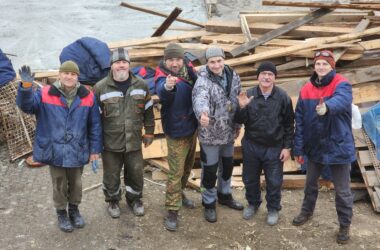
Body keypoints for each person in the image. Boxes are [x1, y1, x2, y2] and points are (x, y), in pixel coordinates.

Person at [16, 61, 102, 232]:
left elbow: (95, 125)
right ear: (59, 75)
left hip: (77, 148)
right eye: (66, 73)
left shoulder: (87, 96)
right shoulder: (45, 93)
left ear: (78, 77)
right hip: (54, 148)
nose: (69, 77)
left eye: (73, 74)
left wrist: (95, 150)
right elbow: (27, 106)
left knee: (76, 183)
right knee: (59, 182)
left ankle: (74, 210)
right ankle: (61, 212)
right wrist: (26, 88)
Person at [292, 50, 355, 244]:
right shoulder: (306, 89)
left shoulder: (341, 83)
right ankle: (306, 212)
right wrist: (299, 149)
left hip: (338, 146)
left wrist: (328, 106)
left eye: (325, 64)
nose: (321, 67)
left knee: (343, 191)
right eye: (318, 64)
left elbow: (343, 100)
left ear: (332, 66)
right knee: (310, 184)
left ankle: (344, 225)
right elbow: (300, 121)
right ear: (314, 66)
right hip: (315, 147)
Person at [94, 48, 155, 218]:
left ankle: (134, 199)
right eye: (117, 63)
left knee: (136, 172)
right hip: (110, 142)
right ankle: (112, 200)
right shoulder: (100, 88)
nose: (121, 66)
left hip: (134, 140)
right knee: (111, 174)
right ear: (111, 66)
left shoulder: (141, 85)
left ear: (129, 65)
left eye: (124, 62)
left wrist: (149, 131)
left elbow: (148, 110)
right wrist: (96, 143)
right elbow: (94, 119)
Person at [234, 61, 295, 225]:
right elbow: (238, 121)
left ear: (274, 78)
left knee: (274, 181)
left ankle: (273, 208)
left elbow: (289, 125)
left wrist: (287, 147)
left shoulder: (282, 97)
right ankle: (253, 204)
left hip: (274, 147)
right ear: (258, 76)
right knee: (250, 179)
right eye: (263, 74)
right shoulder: (248, 95)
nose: (266, 77)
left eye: (270, 74)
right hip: (252, 145)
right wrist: (241, 107)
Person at [192, 46, 243, 223]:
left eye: (219, 61)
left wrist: (238, 124)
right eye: (212, 62)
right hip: (210, 133)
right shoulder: (202, 80)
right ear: (207, 63)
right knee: (210, 170)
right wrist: (202, 114)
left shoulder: (233, 76)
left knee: (228, 166)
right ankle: (209, 202)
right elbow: (200, 98)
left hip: (228, 131)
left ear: (224, 60)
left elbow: (237, 100)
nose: (216, 65)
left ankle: (225, 194)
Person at [155, 43, 198, 231]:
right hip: (176, 130)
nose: (174, 63)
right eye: (171, 59)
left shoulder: (189, 70)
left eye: (177, 59)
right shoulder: (163, 76)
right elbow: (162, 92)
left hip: (192, 127)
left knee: (188, 167)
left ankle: (180, 195)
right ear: (165, 60)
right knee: (175, 172)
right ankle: (172, 210)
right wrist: (168, 86)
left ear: (182, 59)